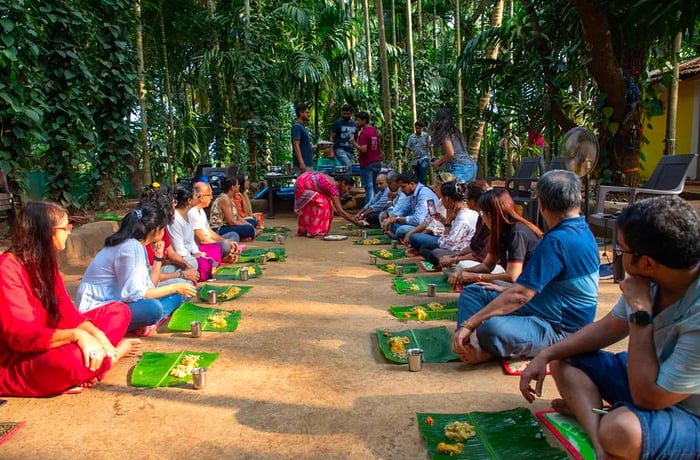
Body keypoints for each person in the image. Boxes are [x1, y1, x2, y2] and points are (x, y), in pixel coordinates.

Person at [520, 196, 700, 460]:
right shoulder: (652, 276)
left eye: (622, 250)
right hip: (648, 378)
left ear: (648, 262)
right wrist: (545, 355)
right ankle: (601, 443)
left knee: (621, 430)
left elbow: (649, 399)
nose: (619, 255)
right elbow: (610, 326)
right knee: (563, 357)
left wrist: (640, 314)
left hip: (686, 408)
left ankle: (610, 423)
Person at [452, 169, 599, 364]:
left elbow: (520, 295)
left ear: (542, 205)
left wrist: (470, 323)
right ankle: (468, 345)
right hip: (544, 305)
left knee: (492, 328)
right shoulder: (581, 229)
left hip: (561, 328)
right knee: (474, 293)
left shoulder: (557, 240)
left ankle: (480, 347)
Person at [0, 202, 141, 397]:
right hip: (19, 359)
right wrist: (77, 336)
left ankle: (97, 359)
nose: (69, 232)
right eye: (65, 228)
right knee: (73, 361)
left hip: (54, 339)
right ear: (46, 232)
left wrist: (98, 336)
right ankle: (111, 357)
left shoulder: (44, 261)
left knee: (119, 311)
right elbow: (21, 336)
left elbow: (67, 312)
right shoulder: (7, 269)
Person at [76, 205, 197, 334]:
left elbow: (151, 285)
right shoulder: (130, 247)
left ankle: (142, 324)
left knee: (177, 295)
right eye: (163, 230)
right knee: (153, 308)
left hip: (117, 303)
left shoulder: (137, 245)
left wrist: (158, 257)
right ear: (156, 230)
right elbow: (134, 294)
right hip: (98, 310)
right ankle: (142, 324)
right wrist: (174, 287)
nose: (163, 234)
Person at [447, 188, 542, 286]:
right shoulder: (501, 232)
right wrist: (463, 272)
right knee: (462, 270)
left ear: (490, 215)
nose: (481, 217)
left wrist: (477, 277)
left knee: (477, 287)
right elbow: (487, 265)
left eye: (482, 213)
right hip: (518, 282)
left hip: (530, 286)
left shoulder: (517, 233)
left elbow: (513, 276)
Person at [421, 181, 492, 267]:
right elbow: (473, 246)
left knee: (428, 248)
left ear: (473, 202)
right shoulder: (480, 217)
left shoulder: (466, 218)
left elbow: (480, 256)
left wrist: (455, 259)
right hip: (464, 251)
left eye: (466, 199)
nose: (465, 201)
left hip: (473, 257)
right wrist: (454, 257)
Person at [139, 185, 200, 286]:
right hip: (147, 281)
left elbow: (171, 254)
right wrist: (181, 275)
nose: (174, 206)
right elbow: (149, 278)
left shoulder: (159, 227)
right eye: (173, 203)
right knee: (184, 284)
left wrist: (187, 266)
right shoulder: (140, 240)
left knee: (191, 265)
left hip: (157, 272)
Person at [169, 186, 221, 282]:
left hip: (192, 253)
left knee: (216, 248)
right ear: (189, 200)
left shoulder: (188, 214)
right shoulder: (175, 219)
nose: (197, 197)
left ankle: (209, 266)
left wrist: (197, 252)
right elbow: (178, 248)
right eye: (195, 195)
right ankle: (207, 268)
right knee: (198, 264)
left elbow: (191, 239)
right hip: (183, 257)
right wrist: (192, 256)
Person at [403, 171, 456, 255]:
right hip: (432, 233)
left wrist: (415, 235)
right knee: (412, 236)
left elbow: (421, 221)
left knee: (412, 236)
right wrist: (411, 233)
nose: (434, 190)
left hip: (442, 237)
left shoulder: (451, 203)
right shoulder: (440, 201)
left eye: (436, 187)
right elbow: (428, 221)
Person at [294, 171, 362, 237]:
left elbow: (335, 210)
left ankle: (305, 230)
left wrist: (351, 216)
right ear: (343, 183)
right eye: (348, 188)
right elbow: (340, 211)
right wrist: (356, 222)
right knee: (324, 205)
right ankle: (317, 231)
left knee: (325, 204)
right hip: (303, 185)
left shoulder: (332, 183)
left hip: (303, 180)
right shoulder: (333, 188)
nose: (347, 191)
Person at [188, 181, 240, 263]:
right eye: (209, 195)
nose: (211, 197)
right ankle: (224, 256)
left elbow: (209, 231)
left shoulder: (201, 210)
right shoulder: (192, 213)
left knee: (233, 235)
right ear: (201, 197)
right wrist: (225, 243)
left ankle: (225, 254)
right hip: (201, 248)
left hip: (210, 242)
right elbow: (203, 240)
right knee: (225, 245)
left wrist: (226, 241)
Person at [382, 172, 440, 242]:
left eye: (403, 187)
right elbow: (405, 209)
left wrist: (397, 219)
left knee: (402, 230)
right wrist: (391, 218)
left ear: (412, 184)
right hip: (421, 225)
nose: (401, 190)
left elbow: (419, 220)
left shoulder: (424, 194)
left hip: (427, 227)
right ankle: (402, 237)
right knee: (391, 224)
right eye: (400, 187)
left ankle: (399, 237)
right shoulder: (412, 192)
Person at [430, 108, 477, 183]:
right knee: (466, 193)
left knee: (451, 191)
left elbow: (451, 154)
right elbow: (457, 153)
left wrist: (438, 162)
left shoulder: (444, 134)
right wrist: (443, 162)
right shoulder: (455, 132)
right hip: (470, 165)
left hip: (461, 168)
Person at [349, 111, 382, 206]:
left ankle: (369, 209)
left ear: (364, 120)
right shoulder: (374, 131)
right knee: (377, 187)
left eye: (358, 120)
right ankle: (379, 206)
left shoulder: (364, 133)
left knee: (369, 188)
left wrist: (354, 143)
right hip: (376, 161)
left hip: (367, 162)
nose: (356, 122)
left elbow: (363, 149)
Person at [210, 176, 257, 241]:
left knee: (253, 222)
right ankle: (244, 236)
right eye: (237, 184)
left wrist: (249, 224)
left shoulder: (231, 197)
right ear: (232, 187)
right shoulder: (225, 199)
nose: (239, 186)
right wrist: (249, 227)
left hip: (228, 225)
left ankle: (244, 236)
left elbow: (238, 217)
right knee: (249, 229)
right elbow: (231, 222)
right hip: (219, 228)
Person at [292, 103, 313, 172]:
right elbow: (296, 145)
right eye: (307, 112)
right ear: (301, 113)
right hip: (302, 165)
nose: (308, 115)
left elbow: (304, 145)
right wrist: (301, 162)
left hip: (308, 163)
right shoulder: (297, 127)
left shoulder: (302, 127)